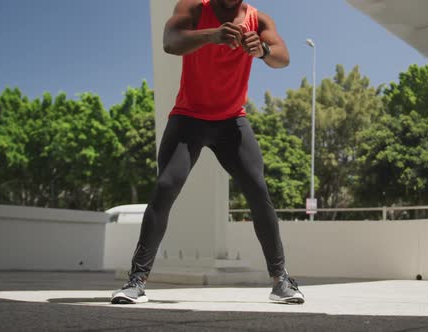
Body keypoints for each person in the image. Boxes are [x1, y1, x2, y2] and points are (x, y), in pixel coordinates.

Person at [111, 0, 304, 305]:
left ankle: (281, 281)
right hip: (189, 117)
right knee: (165, 187)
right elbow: (170, 43)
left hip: (232, 122)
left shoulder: (259, 19)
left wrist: (262, 51)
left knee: (258, 189)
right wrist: (211, 35)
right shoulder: (194, 8)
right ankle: (136, 281)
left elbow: (284, 58)